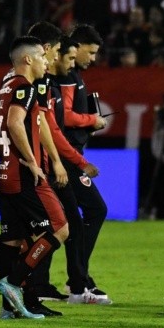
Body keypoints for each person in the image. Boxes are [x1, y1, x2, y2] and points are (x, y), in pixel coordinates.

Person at [0, 36, 70, 320]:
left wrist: (5, 157)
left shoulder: (5, 87)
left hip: (3, 172)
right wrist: (32, 162)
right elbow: (13, 122)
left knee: (14, 239)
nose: (47, 62)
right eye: (43, 57)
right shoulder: (24, 87)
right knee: (57, 230)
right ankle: (11, 283)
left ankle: (6, 302)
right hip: (22, 174)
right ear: (28, 59)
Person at [53, 23, 110, 301]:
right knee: (94, 210)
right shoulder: (67, 75)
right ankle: (78, 279)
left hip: (69, 153)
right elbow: (63, 117)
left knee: (79, 217)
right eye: (92, 52)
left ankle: (79, 277)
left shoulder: (73, 74)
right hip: (66, 156)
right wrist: (92, 120)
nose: (93, 58)